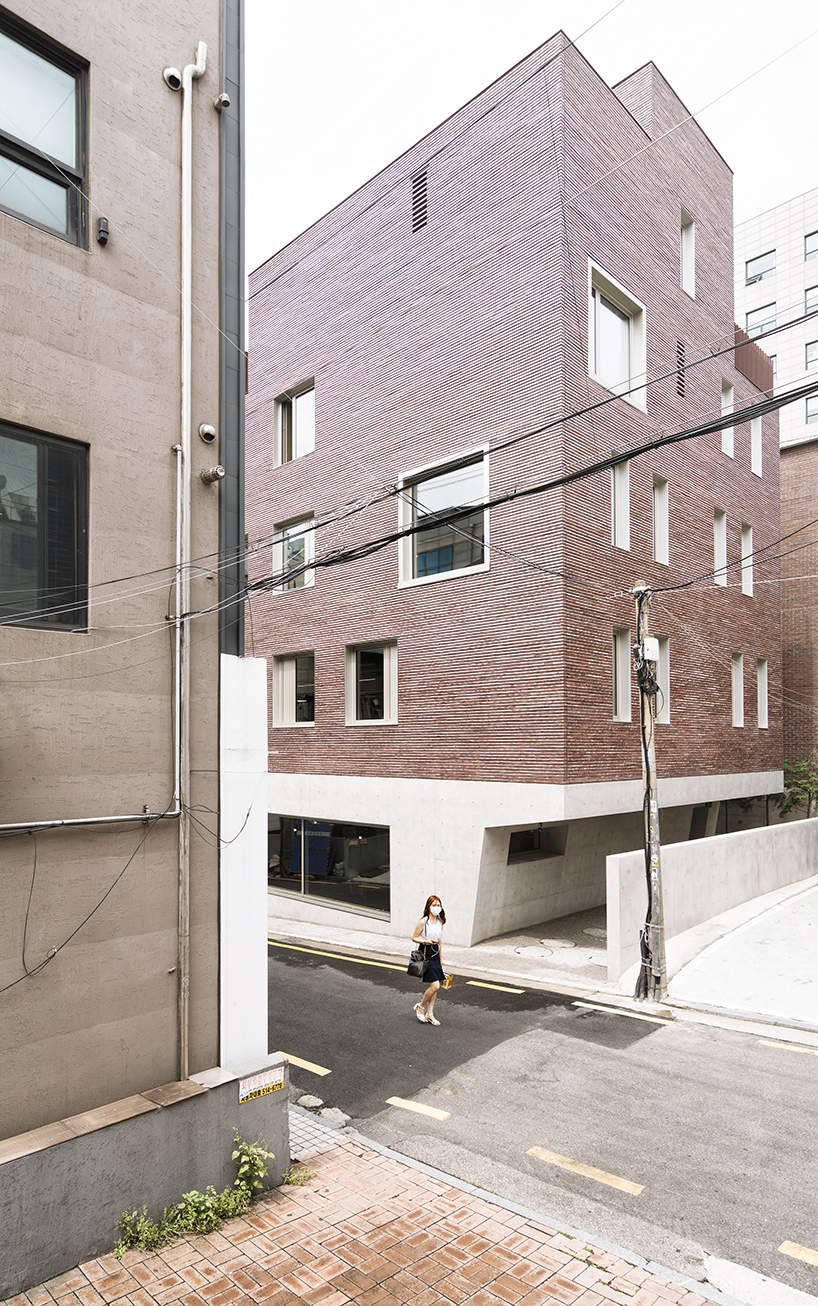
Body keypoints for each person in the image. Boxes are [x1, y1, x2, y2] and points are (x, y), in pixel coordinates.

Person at [412, 895, 446, 1025]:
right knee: (435, 985)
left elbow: (440, 942)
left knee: (435, 987)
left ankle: (430, 1013)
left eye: (439, 905)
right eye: (434, 905)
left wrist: (441, 961)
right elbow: (414, 937)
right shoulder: (423, 922)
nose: (437, 908)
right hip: (426, 954)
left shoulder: (440, 921)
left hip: (436, 955)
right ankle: (420, 1007)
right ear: (428, 907)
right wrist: (425, 941)